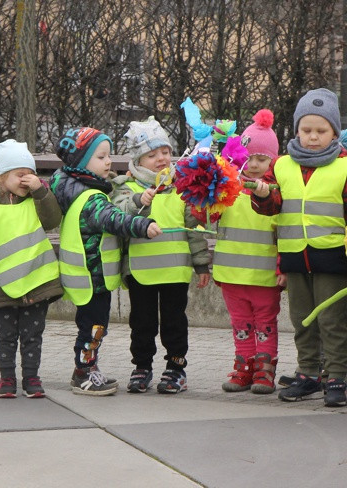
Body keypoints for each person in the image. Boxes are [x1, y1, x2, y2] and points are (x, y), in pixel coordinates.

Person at [252, 88, 347, 407]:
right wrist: (264, 196)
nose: (313, 137)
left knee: (332, 320)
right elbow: (270, 208)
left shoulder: (344, 166)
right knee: (303, 319)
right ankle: (308, 374)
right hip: (294, 256)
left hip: (333, 258)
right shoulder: (281, 165)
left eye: (321, 131)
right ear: (296, 130)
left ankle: (337, 376)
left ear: (334, 131)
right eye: (306, 130)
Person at [51, 128, 161, 396]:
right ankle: (84, 373)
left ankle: (88, 368)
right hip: (92, 276)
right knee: (93, 329)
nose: (108, 161)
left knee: (91, 327)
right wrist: (143, 225)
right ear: (80, 162)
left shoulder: (76, 190)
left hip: (85, 275)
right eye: (101, 157)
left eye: (108, 155)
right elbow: (114, 219)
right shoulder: (91, 199)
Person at [112, 116, 211, 394]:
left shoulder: (181, 188)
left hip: (175, 272)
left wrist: (201, 264)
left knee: (174, 322)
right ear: (138, 160)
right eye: (151, 154)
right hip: (141, 272)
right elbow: (118, 211)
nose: (161, 159)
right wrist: (137, 201)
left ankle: (176, 368)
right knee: (142, 323)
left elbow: (194, 229)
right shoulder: (129, 187)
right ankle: (141, 366)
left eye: (165, 152)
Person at [0, 139, 62, 398]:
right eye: (20, 174)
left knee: (33, 335)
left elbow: (53, 220)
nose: (26, 179)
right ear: (3, 177)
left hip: (36, 281)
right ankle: (7, 378)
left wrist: (41, 191)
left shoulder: (36, 200)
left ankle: (31, 377)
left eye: (30, 174)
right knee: (5, 335)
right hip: (0, 284)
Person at [215, 110, 285, 394]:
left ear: (273, 161)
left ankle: (265, 369)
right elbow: (208, 217)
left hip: (264, 275)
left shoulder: (276, 193)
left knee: (265, 324)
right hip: (231, 275)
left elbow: (284, 233)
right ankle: (243, 366)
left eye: (261, 159)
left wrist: (283, 268)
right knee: (240, 324)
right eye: (248, 157)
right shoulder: (227, 190)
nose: (253, 165)